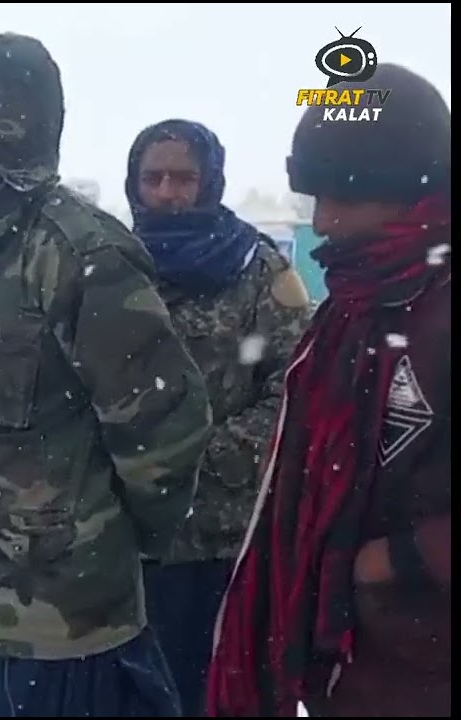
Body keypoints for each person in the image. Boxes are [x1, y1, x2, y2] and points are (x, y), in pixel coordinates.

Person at [0, 33, 214, 718]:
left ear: (8, 125)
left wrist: (98, 557)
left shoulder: (82, 253)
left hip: (50, 634)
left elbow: (165, 432)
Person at [207, 63, 451, 718]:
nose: (326, 222)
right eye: (316, 196)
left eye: (345, 195)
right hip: (345, 674)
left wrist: (392, 561)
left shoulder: (439, 315)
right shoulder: (350, 312)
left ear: (415, 196)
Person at [122, 118, 313, 716]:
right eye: (153, 178)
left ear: (211, 182)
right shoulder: (110, 266)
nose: (169, 192)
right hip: (124, 543)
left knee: (221, 697)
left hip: (224, 543)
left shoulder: (257, 271)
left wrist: (197, 457)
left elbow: (296, 385)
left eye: (184, 177)